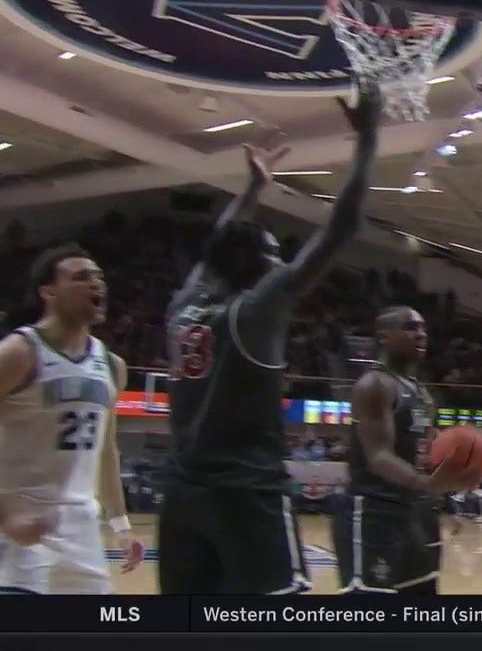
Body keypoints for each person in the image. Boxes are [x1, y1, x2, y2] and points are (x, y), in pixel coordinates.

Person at [157, 85, 382, 594]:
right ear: (254, 265)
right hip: (246, 496)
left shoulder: (181, 310)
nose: (282, 262)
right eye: (275, 252)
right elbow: (343, 228)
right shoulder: (256, 309)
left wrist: (254, 187)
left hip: (183, 497)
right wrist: (368, 138)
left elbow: (217, 248)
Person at [0, 244, 143, 593]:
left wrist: (121, 525)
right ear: (48, 292)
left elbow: (106, 451)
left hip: (81, 529)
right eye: (81, 277)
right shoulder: (18, 353)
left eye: (99, 277)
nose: (96, 284)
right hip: (19, 527)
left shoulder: (111, 365)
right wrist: (7, 517)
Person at [332, 306, 482, 594]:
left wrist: (444, 492)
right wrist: (427, 483)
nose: (421, 334)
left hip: (415, 514)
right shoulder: (375, 385)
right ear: (384, 336)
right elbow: (379, 457)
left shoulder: (422, 393)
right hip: (374, 513)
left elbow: (424, 455)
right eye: (411, 327)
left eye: (423, 328)